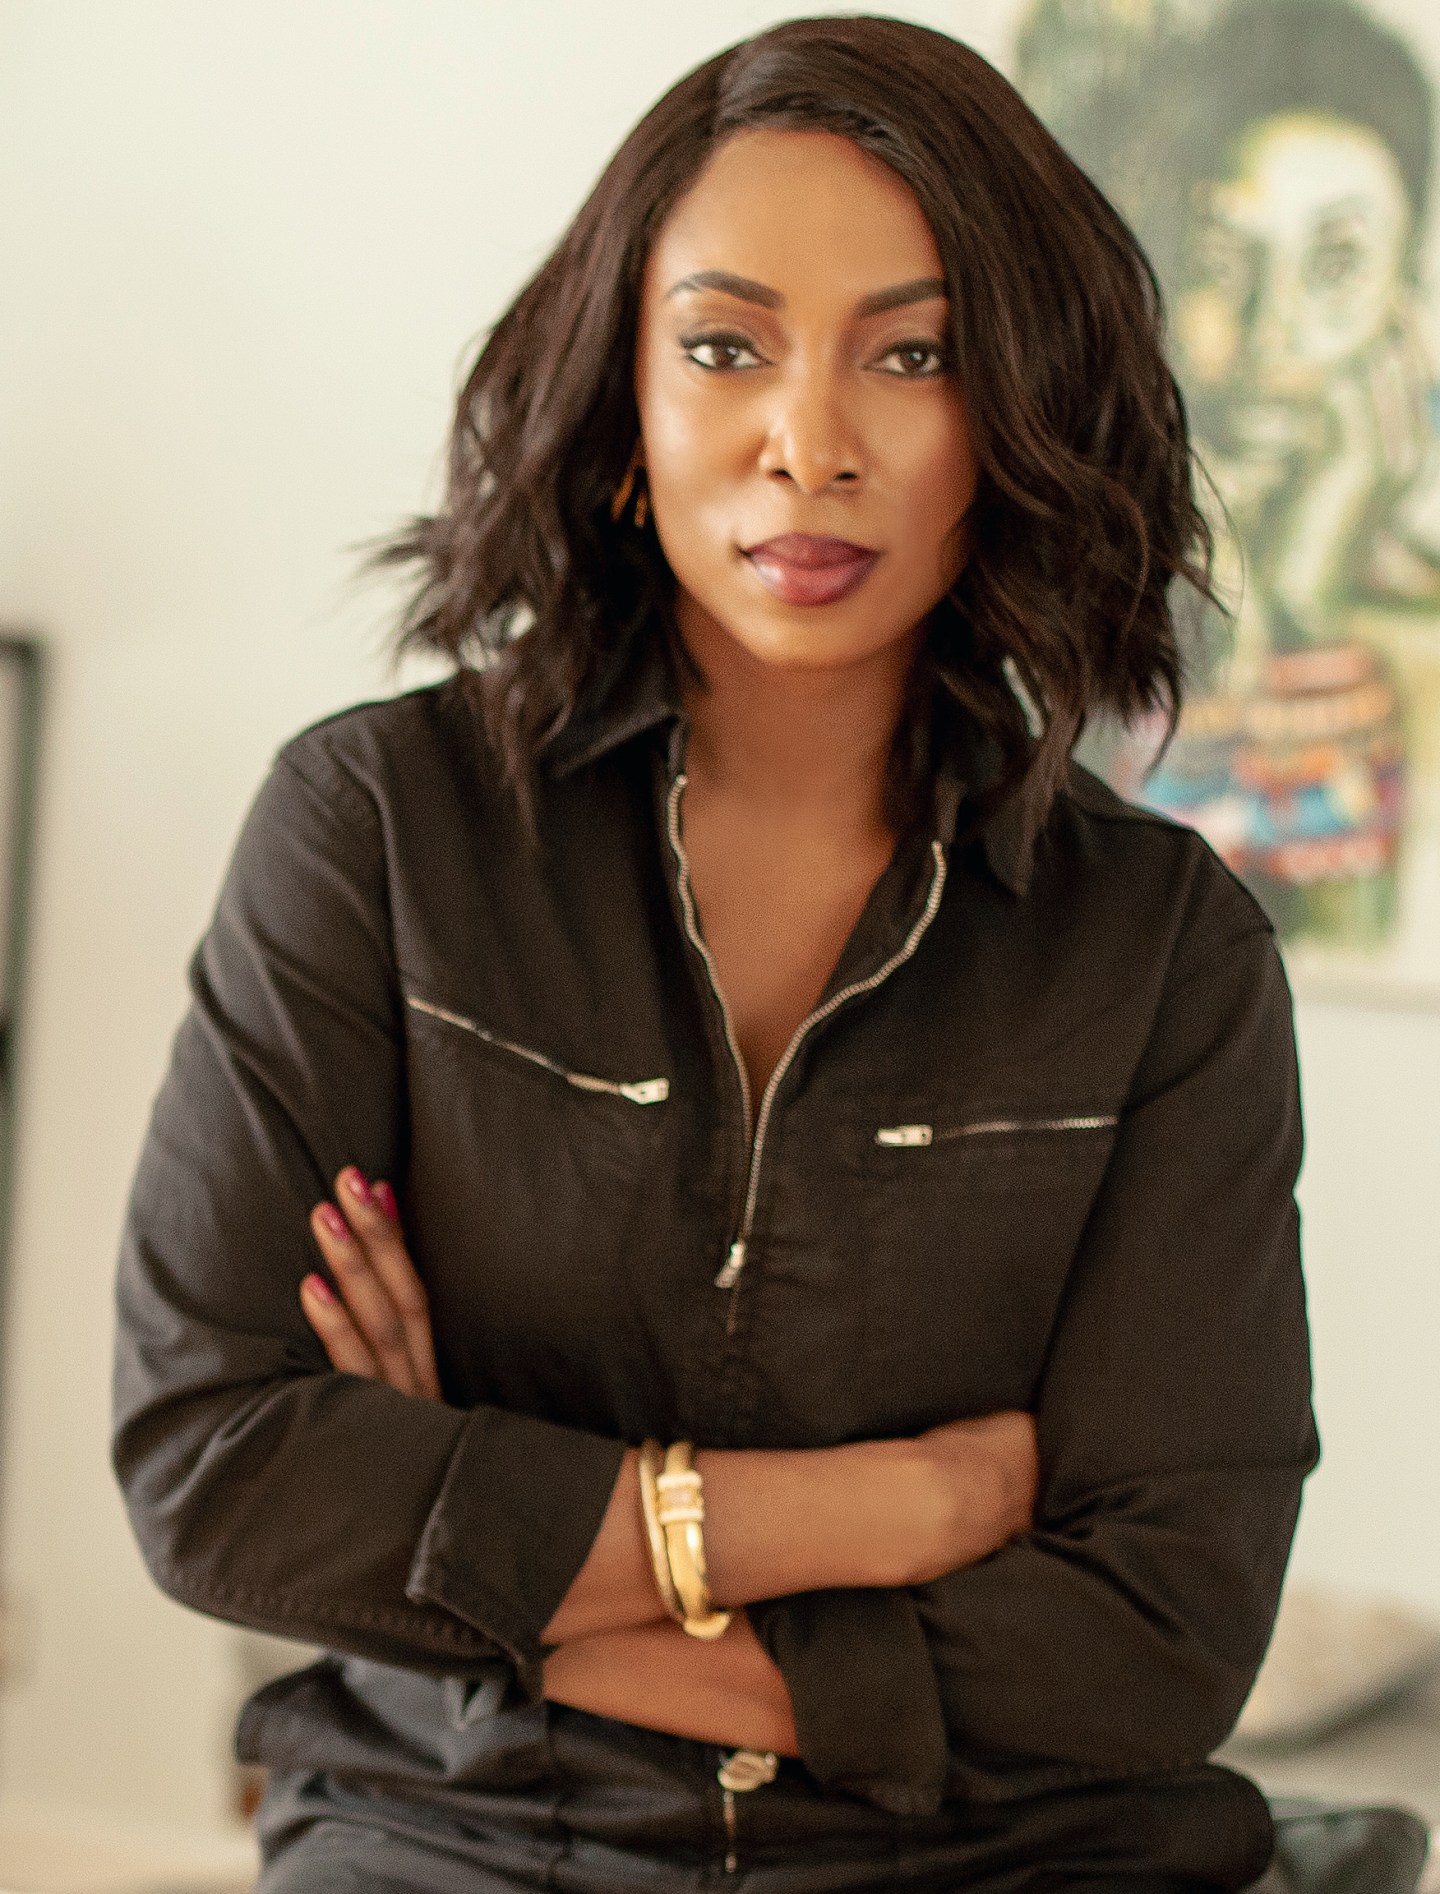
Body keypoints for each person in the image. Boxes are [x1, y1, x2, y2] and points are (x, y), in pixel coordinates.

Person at [112, 17, 1317, 1893]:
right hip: (459, 1832)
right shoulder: (379, 831)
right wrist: (883, 1507)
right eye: (726, 346)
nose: (809, 443)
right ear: (625, 398)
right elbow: (217, 1468)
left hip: (1001, 1862)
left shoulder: (1169, 953)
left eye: (911, 355)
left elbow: (1158, 1637)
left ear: (1016, 417)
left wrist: (492, 1558)